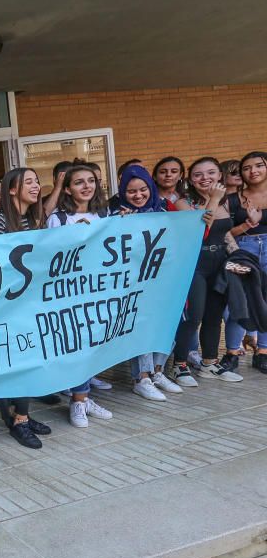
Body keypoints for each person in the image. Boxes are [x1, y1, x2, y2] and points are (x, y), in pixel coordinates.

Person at [0, 168, 53, 448]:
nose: (36, 186)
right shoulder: (0, 220)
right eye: (29, 182)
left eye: (37, 181)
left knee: (28, 360)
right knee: (22, 361)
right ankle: (19, 419)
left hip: (29, 303)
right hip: (8, 306)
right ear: (11, 190)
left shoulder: (30, 220)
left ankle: (20, 411)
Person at [45, 166, 115, 428]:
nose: (86, 186)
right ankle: (78, 400)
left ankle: (82, 398)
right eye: (78, 183)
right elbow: (53, 256)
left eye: (90, 181)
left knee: (93, 344)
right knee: (77, 345)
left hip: (102, 289)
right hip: (71, 293)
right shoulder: (59, 219)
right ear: (67, 189)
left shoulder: (105, 214)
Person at [169, 157, 243, 385]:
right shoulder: (183, 203)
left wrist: (239, 258)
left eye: (211, 173)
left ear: (219, 175)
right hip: (195, 263)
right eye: (198, 174)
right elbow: (201, 231)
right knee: (194, 316)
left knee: (214, 317)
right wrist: (214, 199)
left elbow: (225, 234)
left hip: (219, 262)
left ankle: (209, 363)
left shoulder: (224, 202)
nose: (205, 178)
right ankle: (179, 365)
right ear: (190, 179)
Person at [113, 165, 182, 401]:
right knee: (142, 329)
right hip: (135, 283)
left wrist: (200, 219)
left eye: (142, 189)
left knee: (169, 326)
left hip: (164, 280)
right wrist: (121, 225)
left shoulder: (163, 209)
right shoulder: (117, 215)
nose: (138, 195)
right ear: (123, 192)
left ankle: (158, 372)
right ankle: (141, 378)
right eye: (131, 191)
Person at [226, 151, 267, 374]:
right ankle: (232, 352)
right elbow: (223, 232)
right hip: (242, 249)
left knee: (265, 302)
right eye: (247, 167)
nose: (253, 171)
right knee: (238, 301)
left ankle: (263, 352)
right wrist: (248, 224)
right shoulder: (232, 200)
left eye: (259, 166)